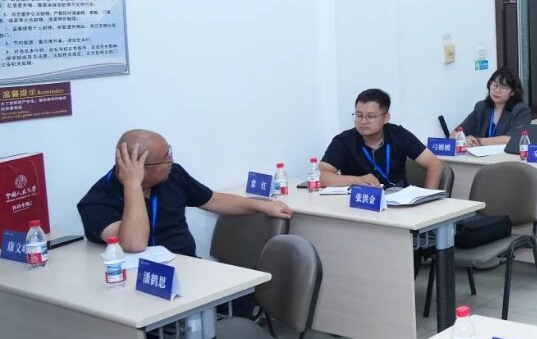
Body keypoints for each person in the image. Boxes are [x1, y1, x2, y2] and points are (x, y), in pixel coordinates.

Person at [77, 129, 293, 256]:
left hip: (187, 269)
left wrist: (263, 206)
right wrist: (133, 185)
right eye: (166, 157)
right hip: (134, 283)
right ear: (142, 168)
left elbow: (215, 200)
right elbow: (134, 244)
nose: (172, 161)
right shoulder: (96, 202)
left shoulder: (174, 176)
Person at [319, 88, 442, 189]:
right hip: (360, 200)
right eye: (359, 115)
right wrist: (357, 180)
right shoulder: (344, 141)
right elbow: (321, 175)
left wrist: (428, 199)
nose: (363, 121)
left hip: (397, 200)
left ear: (386, 118)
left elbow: (434, 165)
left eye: (370, 116)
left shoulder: (399, 135)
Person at [458, 67, 533, 147]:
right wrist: (464, 139)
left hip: (504, 154)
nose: (497, 90)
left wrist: (480, 141)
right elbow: (455, 134)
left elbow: (513, 138)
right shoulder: (482, 107)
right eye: (495, 85)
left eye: (503, 87)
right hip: (480, 154)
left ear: (512, 92)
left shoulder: (521, 110)